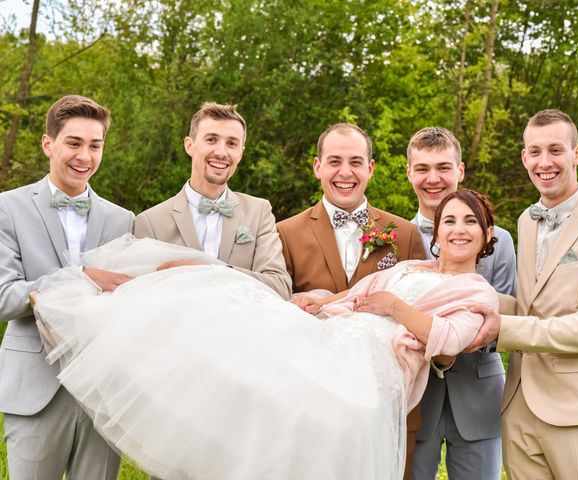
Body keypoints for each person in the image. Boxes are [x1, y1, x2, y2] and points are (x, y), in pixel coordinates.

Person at [32, 189, 498, 480]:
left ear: (486, 233)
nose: (458, 230)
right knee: (231, 297)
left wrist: (396, 308)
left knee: (298, 433)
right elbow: (357, 295)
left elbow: (451, 338)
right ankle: (114, 300)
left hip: (367, 369)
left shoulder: (476, 292)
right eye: (450, 221)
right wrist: (319, 301)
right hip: (339, 333)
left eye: (469, 222)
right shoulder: (413, 265)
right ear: (437, 231)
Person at [469, 109, 578, 479]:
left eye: (555, 150)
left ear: (577, 154)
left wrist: (502, 328)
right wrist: (465, 294)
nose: (544, 162)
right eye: (534, 151)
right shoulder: (527, 221)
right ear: (524, 157)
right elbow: (531, 308)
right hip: (519, 408)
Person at [0, 95, 134, 479]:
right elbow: (4, 296)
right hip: (35, 388)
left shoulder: (123, 220)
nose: (84, 156)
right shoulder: (7, 208)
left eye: (95, 145)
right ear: (48, 143)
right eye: (73, 143)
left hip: (102, 393)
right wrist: (81, 277)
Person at [405, 127, 516, 480]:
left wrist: (456, 338)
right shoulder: (397, 238)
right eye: (422, 168)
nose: (433, 178)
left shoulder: (500, 241)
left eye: (443, 167)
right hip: (415, 399)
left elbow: (505, 320)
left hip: (479, 391)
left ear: (461, 170)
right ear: (409, 173)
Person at [134, 101, 291, 299]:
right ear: (189, 146)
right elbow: (138, 296)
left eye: (232, 144)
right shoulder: (149, 222)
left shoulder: (259, 212)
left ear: (241, 153)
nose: (221, 152)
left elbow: (279, 287)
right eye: (211, 139)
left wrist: (209, 270)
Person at [276, 123, 425, 295]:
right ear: (317, 167)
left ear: (370, 169)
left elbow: (417, 302)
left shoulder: (407, 234)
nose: (345, 172)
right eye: (334, 162)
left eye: (355, 162)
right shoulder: (285, 234)